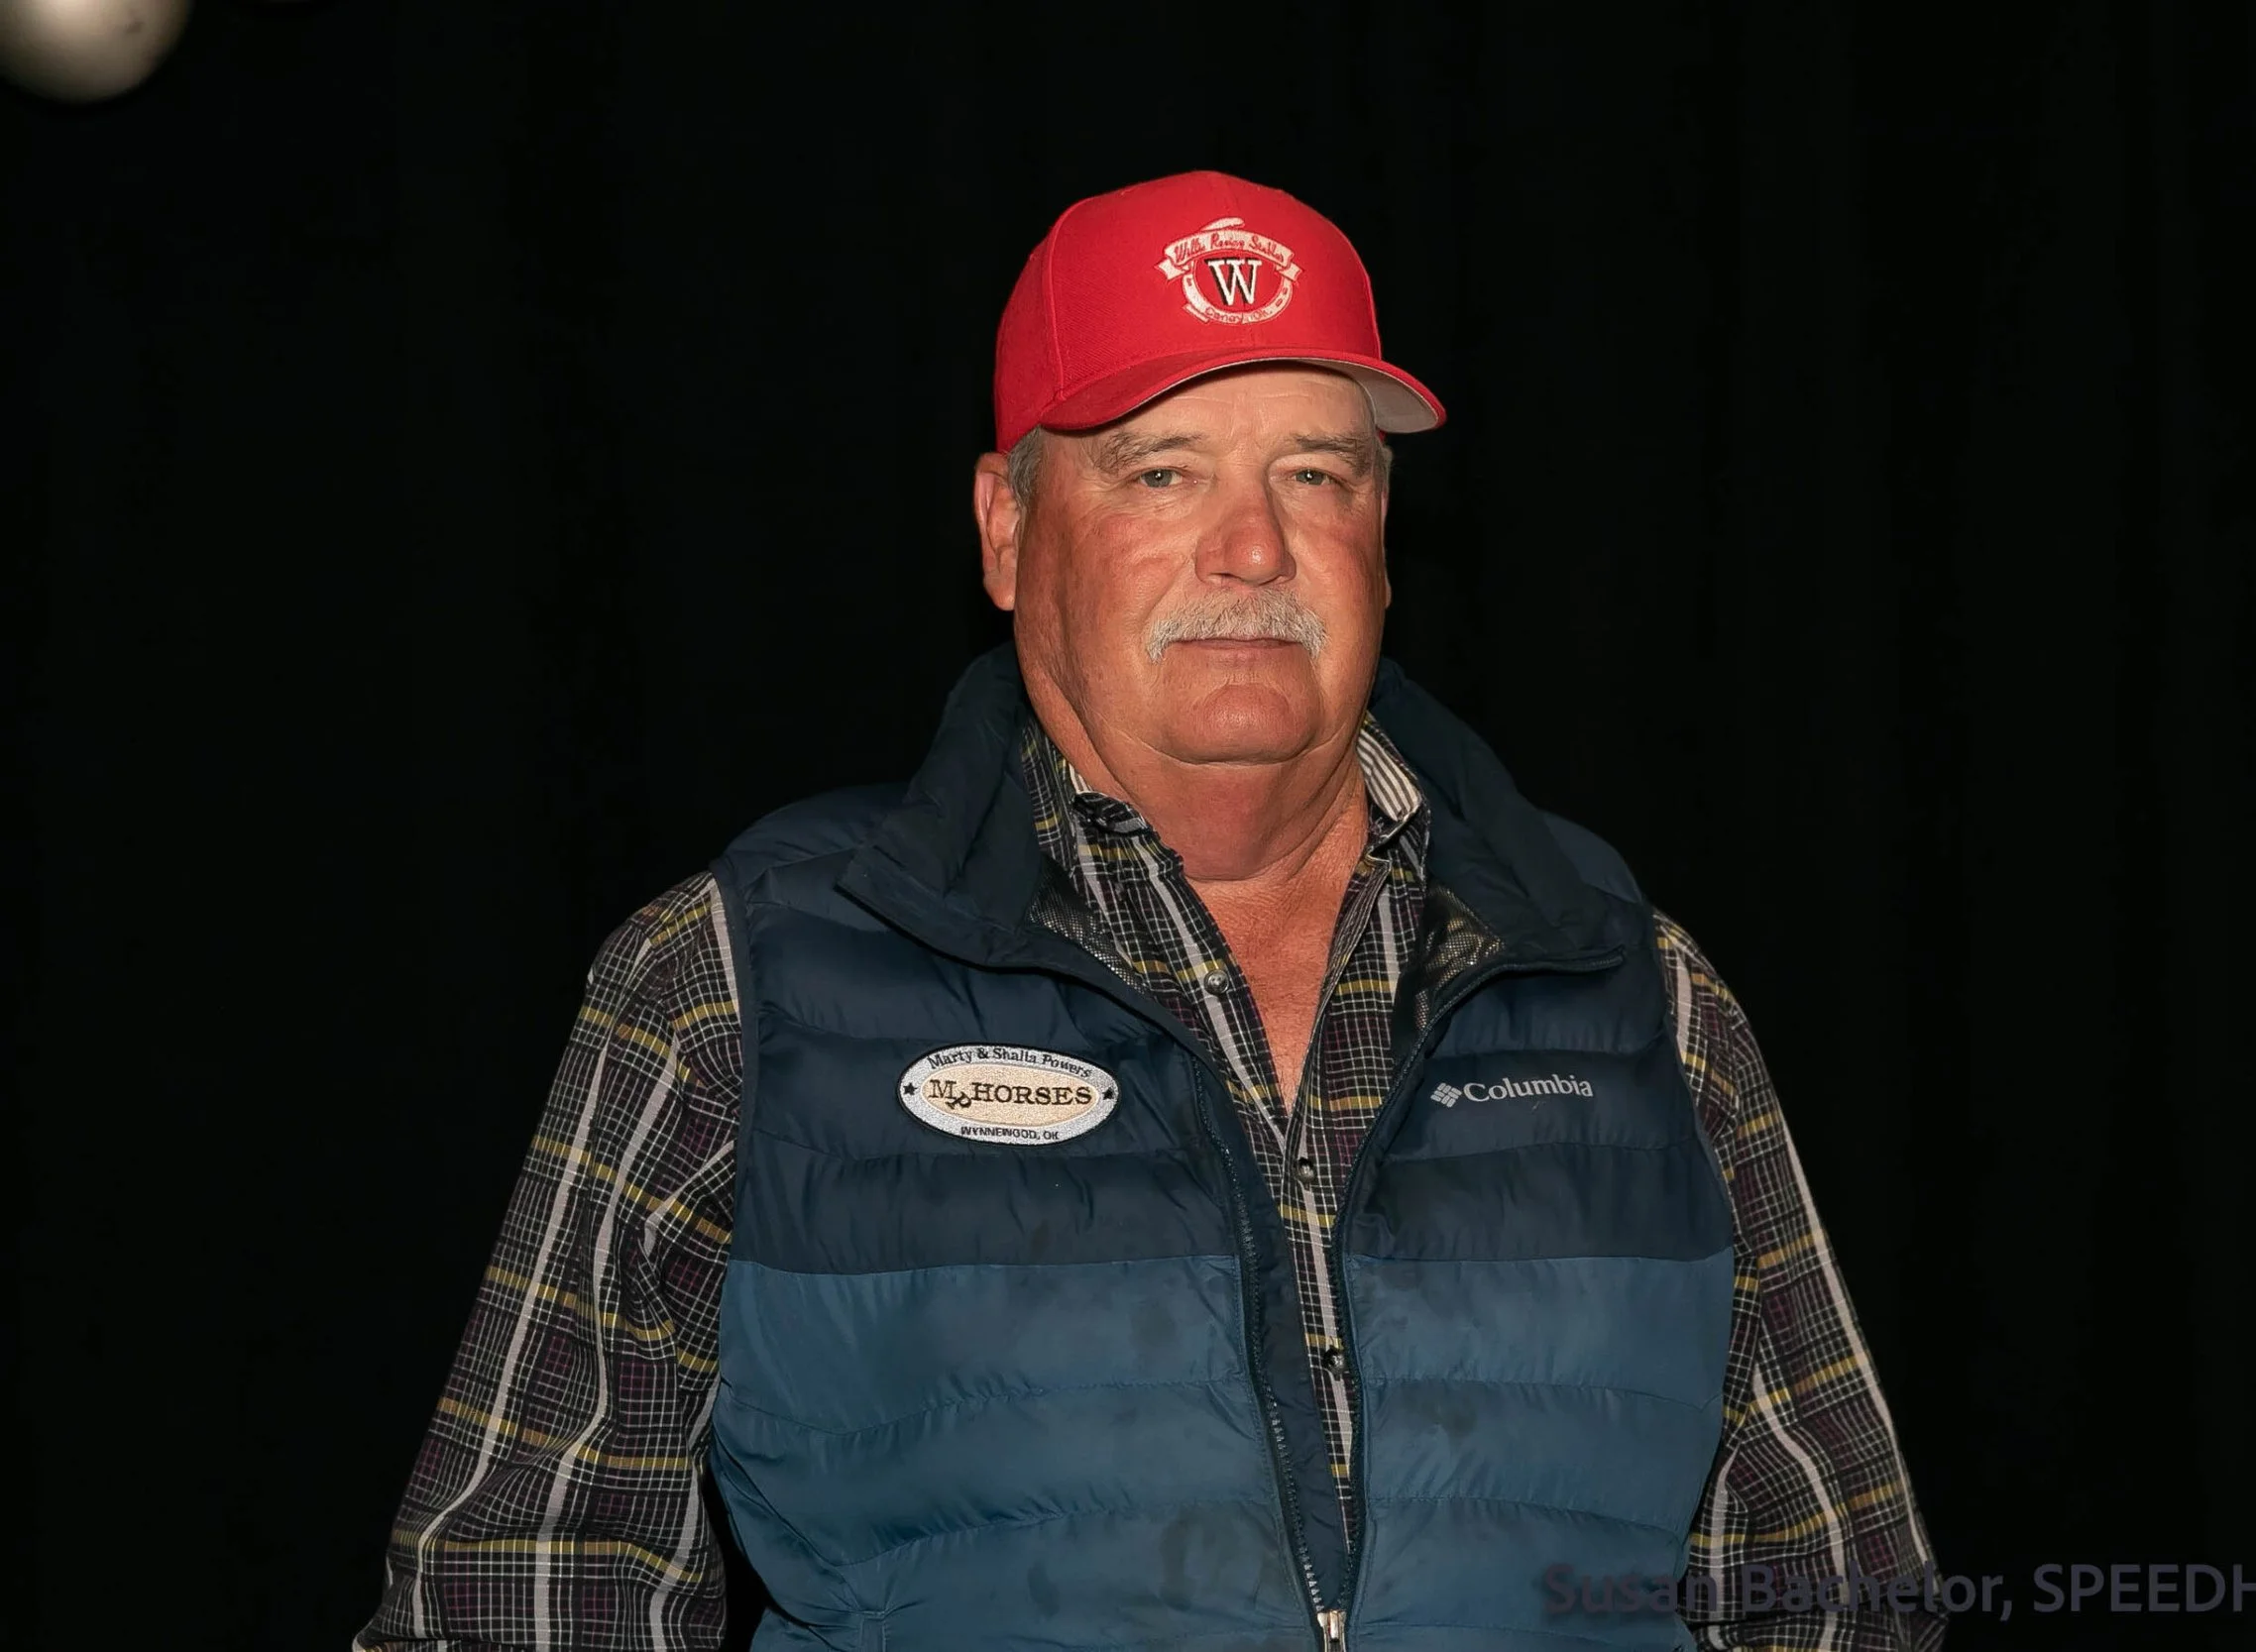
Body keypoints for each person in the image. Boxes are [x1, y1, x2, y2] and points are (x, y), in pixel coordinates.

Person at [354, 169, 1944, 1652]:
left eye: (1315, 473)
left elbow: (1839, 1598)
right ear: (1004, 529)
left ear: (1381, 534)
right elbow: (514, 1595)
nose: (1252, 546)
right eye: (1161, 468)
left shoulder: (1632, 988)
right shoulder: (739, 983)